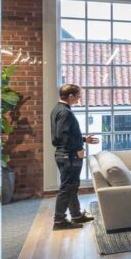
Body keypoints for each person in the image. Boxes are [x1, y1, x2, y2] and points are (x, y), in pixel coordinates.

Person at [50, 83, 99, 230]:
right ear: (70, 96)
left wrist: (84, 140)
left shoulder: (59, 110)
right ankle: (59, 221)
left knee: (71, 186)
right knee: (67, 187)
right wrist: (78, 148)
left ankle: (76, 215)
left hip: (65, 155)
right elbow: (62, 137)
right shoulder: (65, 112)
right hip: (68, 156)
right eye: (78, 96)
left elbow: (67, 134)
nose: (79, 99)